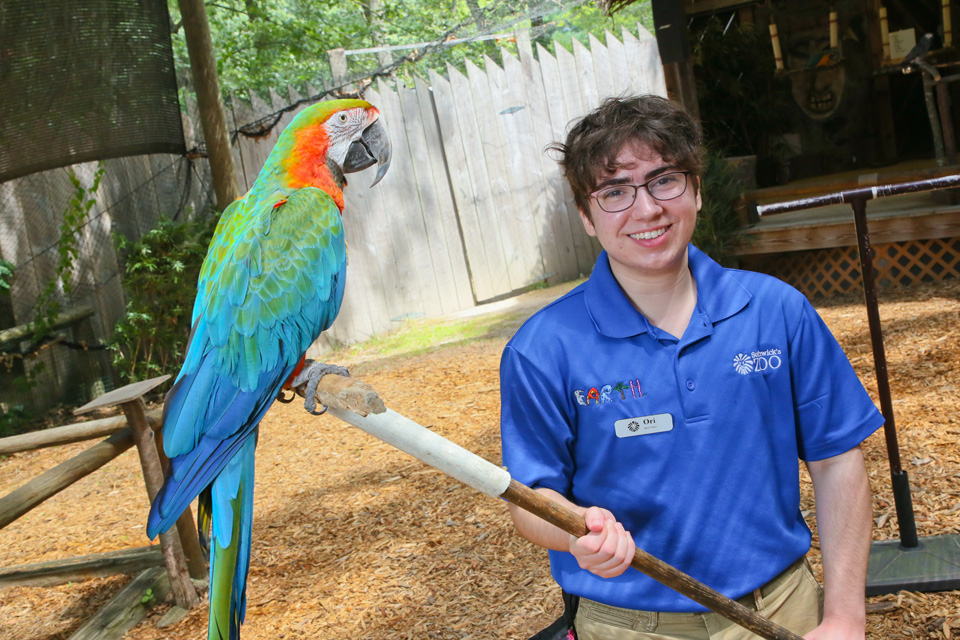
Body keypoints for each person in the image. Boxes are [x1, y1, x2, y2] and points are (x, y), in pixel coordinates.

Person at [499, 95, 882, 640]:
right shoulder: (542, 349)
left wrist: (844, 617)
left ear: (697, 190)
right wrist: (575, 533)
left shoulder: (776, 310)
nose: (647, 208)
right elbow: (531, 500)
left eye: (664, 180)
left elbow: (837, 460)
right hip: (630, 626)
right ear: (586, 216)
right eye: (614, 192)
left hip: (785, 608)